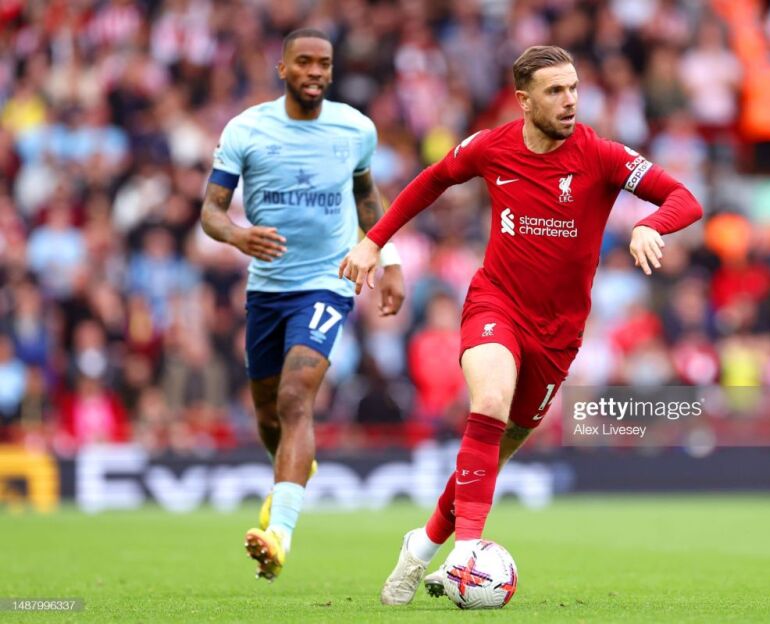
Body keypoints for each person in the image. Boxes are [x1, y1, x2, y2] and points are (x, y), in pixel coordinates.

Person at [339, 45, 702, 604]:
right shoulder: (493, 147)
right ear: (524, 100)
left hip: (559, 334)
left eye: (574, 88)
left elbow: (684, 198)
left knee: (495, 450)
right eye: (555, 91)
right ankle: (467, 553)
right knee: (489, 401)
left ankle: (423, 545)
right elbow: (432, 181)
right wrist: (374, 241)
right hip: (497, 303)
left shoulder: (602, 156)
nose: (570, 100)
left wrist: (651, 225)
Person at [200, 28, 405, 581]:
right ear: (283, 69)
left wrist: (389, 261)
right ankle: (295, 469)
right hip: (267, 288)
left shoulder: (355, 128)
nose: (315, 72)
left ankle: (280, 536)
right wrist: (237, 235)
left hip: (328, 281)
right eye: (304, 62)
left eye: (324, 64)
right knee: (269, 414)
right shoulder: (247, 129)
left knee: (296, 397)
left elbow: (366, 196)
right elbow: (211, 211)